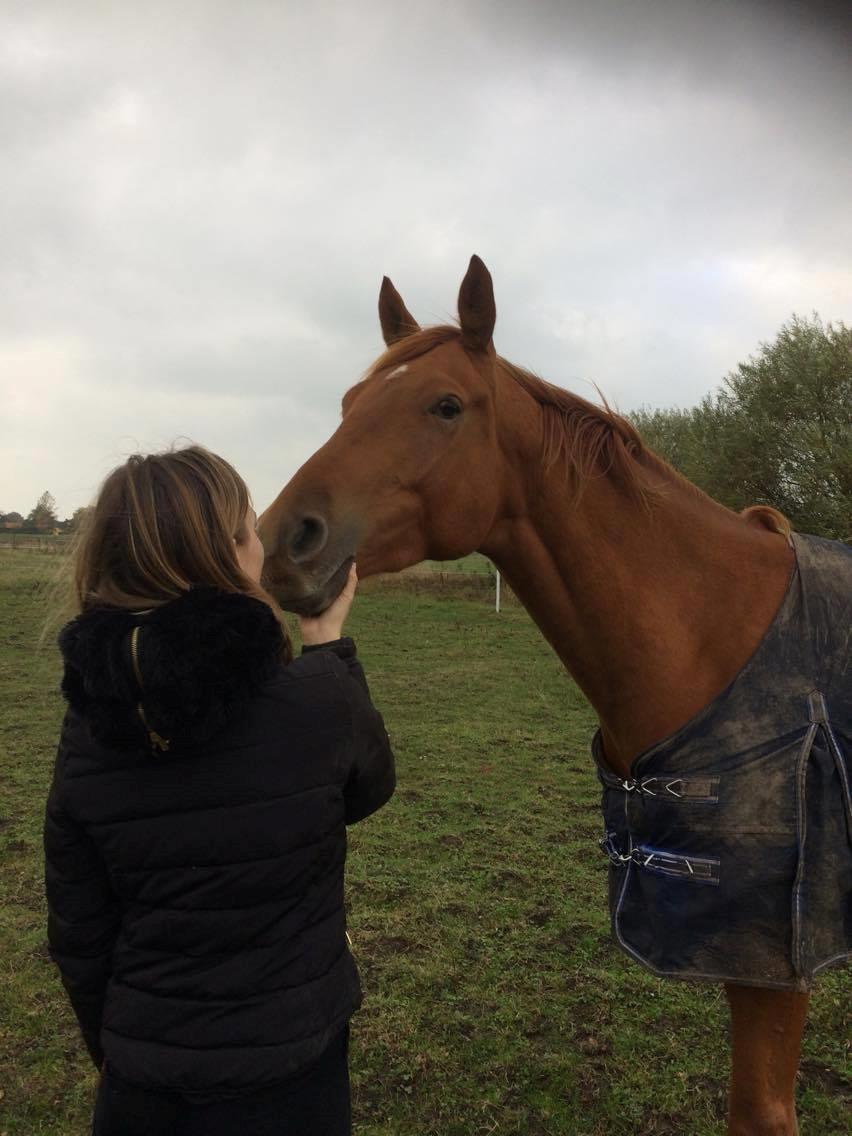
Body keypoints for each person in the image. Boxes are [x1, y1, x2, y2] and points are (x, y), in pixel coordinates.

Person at [43, 445, 395, 1136]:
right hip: (292, 1076)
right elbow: (367, 789)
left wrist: (115, 1049)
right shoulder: (314, 701)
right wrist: (328, 647)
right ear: (231, 553)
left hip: (141, 1087)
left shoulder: (89, 727)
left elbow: (80, 933)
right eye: (247, 530)